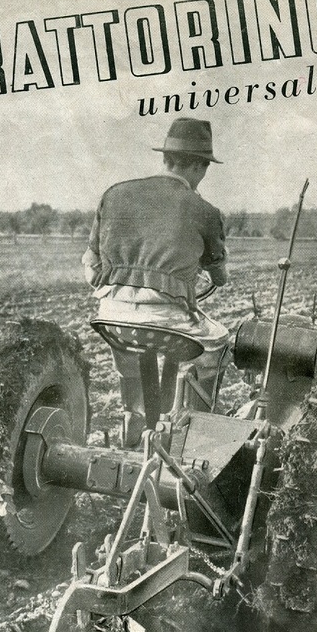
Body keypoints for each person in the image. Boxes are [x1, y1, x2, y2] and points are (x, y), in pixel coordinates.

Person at [83, 118, 230, 447]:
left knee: (128, 344)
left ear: (166, 158)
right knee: (218, 342)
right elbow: (219, 275)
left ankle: (132, 415)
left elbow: (90, 265)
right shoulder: (204, 210)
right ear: (200, 166)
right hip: (166, 319)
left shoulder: (114, 194)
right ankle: (194, 434)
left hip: (111, 315)